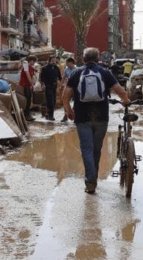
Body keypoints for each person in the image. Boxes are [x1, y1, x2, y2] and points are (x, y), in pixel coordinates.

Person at [63, 46, 131, 194]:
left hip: (82, 117)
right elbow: (120, 91)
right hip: (101, 117)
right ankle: (93, 175)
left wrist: (69, 110)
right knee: (96, 148)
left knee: (86, 149)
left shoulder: (76, 73)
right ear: (98, 59)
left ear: (83, 59)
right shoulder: (105, 73)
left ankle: (90, 182)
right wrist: (126, 100)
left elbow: (65, 96)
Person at [39, 55, 62, 122]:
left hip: (54, 87)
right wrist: (42, 85)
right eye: (52, 61)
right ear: (49, 61)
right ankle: (50, 116)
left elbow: (60, 77)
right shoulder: (45, 68)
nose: (53, 62)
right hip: (48, 86)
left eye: (55, 61)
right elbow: (42, 78)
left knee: (54, 101)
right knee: (50, 101)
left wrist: (61, 85)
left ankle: (47, 114)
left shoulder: (56, 68)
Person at [19, 54, 38, 121]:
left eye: (34, 61)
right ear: (30, 61)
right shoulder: (26, 66)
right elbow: (28, 76)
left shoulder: (32, 68)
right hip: (24, 85)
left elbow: (32, 77)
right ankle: (26, 115)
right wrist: (32, 84)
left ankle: (28, 115)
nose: (33, 63)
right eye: (33, 61)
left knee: (29, 100)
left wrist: (33, 84)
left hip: (28, 86)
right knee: (27, 100)